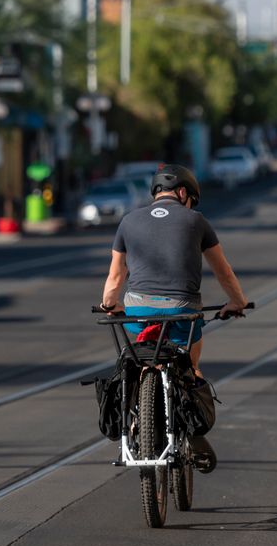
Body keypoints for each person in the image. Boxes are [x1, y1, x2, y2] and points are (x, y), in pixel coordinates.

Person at [98, 164, 248, 470]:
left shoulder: (128, 221)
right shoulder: (196, 221)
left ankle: (140, 417)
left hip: (139, 311)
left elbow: (115, 277)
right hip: (182, 310)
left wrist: (109, 305)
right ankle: (192, 430)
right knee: (190, 368)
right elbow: (224, 272)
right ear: (183, 193)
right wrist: (237, 302)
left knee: (141, 359)